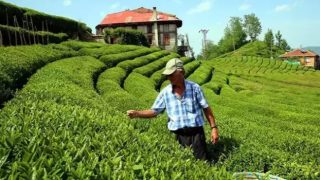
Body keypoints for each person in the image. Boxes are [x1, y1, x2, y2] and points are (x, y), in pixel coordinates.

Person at [127, 58, 219, 160]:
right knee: (181, 165)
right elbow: (154, 111)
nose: (168, 78)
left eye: (171, 74)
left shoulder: (195, 88)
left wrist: (214, 128)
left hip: (196, 134)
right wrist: (137, 113)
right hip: (177, 135)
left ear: (182, 73)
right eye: (167, 75)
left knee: (202, 164)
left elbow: (206, 108)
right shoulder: (165, 92)